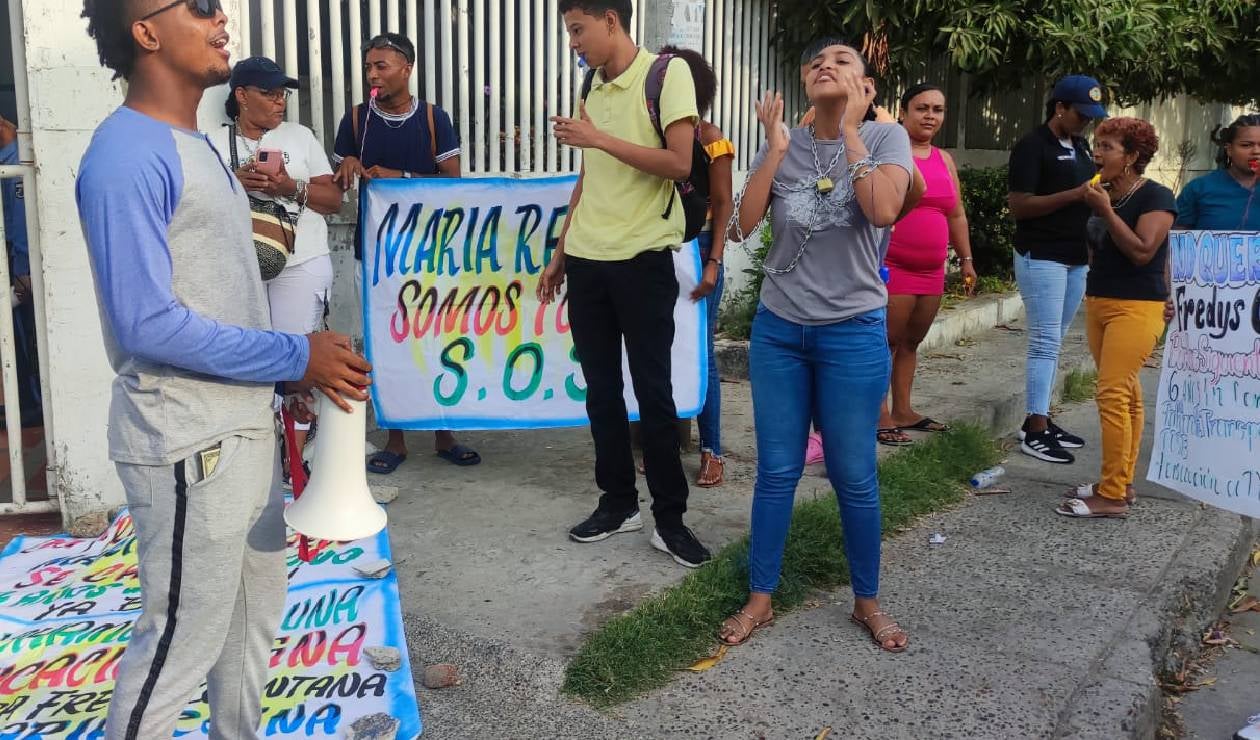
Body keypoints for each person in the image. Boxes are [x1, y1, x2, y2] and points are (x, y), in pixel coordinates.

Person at [77, 1, 371, 737]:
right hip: (187, 444)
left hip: (240, 431)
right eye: (197, 6)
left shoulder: (196, 145)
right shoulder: (124, 155)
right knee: (180, 646)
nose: (220, 17)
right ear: (145, 31)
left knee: (250, 631)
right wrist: (292, 356)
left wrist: (286, 377)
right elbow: (146, 323)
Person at [719, 38, 913, 651]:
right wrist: (775, 152)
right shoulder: (786, 144)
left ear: (867, 85)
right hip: (780, 330)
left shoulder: (887, 140)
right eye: (815, 63)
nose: (826, 66)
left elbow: (882, 211)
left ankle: (867, 601)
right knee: (776, 472)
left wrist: (853, 132)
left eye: (843, 61)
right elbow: (741, 226)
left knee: (853, 474)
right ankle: (761, 597)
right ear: (804, 82)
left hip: (852, 332)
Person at [541, 0, 711, 568]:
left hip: (641, 261)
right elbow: (590, 177)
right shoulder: (591, 85)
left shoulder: (667, 74)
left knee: (654, 394)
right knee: (600, 393)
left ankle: (670, 518)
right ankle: (617, 503)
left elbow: (680, 164)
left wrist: (599, 138)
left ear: (610, 20)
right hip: (587, 261)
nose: (574, 42)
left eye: (578, 29)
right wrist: (561, 253)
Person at [331, 32, 480, 473]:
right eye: (369, 67)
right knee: (386, 342)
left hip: (431, 253)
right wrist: (349, 168)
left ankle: (443, 434)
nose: (373, 74)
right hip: (375, 255)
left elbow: (452, 181)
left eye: (382, 66)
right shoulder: (356, 121)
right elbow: (338, 181)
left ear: (407, 69)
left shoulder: (434, 118)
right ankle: (395, 439)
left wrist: (400, 176)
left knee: (436, 341)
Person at [208, 56, 344, 481]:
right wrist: (233, 181)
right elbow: (191, 204)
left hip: (301, 262)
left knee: (298, 359)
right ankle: (256, 460)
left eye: (282, 93)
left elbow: (334, 201)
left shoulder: (300, 137)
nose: (279, 101)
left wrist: (289, 185)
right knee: (246, 361)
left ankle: (293, 463)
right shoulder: (211, 140)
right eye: (268, 93)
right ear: (241, 96)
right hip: (238, 267)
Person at [1056, 117, 1173, 519]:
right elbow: (1094, 249)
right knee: (1128, 395)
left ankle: (1110, 496)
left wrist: (1105, 210)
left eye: (1107, 147)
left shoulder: (1156, 197)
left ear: (1133, 157)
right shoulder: (1100, 192)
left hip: (1138, 306)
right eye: (1097, 145)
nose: (1097, 153)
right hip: (1101, 300)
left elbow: (1143, 252)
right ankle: (1120, 482)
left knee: (1110, 393)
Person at [1008, 75, 1106, 464]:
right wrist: (1076, 195)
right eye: (1080, 114)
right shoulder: (1033, 147)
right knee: (1045, 342)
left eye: (1090, 116)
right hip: (1042, 254)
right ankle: (1035, 428)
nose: (1086, 122)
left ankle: (1043, 418)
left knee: (1057, 341)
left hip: (1075, 255)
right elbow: (1020, 205)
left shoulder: (1080, 146)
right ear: (1059, 108)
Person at [876, 83, 976, 446]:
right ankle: (879, 413)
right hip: (893, 266)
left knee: (911, 343)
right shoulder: (889, 152)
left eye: (938, 109)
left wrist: (965, 259)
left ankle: (903, 410)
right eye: (922, 108)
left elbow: (957, 213)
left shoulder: (944, 159)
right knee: (884, 342)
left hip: (932, 270)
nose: (931, 116)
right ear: (902, 112)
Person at [659, 44, 734, 488]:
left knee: (700, 353)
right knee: (659, 351)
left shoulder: (710, 137)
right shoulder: (655, 137)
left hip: (700, 248)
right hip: (656, 249)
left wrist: (713, 263)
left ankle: (712, 449)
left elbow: (722, 203)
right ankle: (664, 444)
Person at [0, 115, 41, 429]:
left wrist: (24, 269)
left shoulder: (14, 162)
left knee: (26, 338)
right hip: (16, 265)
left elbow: (19, 223)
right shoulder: (12, 157)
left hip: (21, 271)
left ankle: (33, 404)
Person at [1175, 113, 1260, 230]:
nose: (1256, 151)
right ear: (1229, 149)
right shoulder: (1199, 189)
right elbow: (1177, 241)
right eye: (1246, 145)